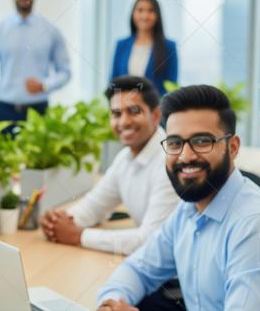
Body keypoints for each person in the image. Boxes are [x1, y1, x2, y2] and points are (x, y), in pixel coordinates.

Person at [97, 85, 260, 311]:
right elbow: (138, 270)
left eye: (202, 141)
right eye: (175, 143)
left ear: (232, 147)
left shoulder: (257, 226)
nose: (185, 156)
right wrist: (110, 305)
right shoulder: (189, 209)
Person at [40, 76, 178, 254]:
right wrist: (57, 222)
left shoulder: (170, 160)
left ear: (156, 114)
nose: (124, 122)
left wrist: (78, 235)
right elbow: (93, 207)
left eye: (134, 111)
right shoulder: (125, 159)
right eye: (116, 114)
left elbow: (151, 241)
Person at [0, 0, 71, 124]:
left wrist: (45, 85)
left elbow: (65, 71)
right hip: (5, 112)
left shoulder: (51, 31)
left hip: (39, 112)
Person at [110, 0, 178, 96]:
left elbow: (171, 85)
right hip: (125, 108)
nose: (145, 16)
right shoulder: (121, 45)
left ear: (157, 15)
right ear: (133, 14)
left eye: (150, 11)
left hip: (155, 109)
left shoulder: (169, 47)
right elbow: (113, 80)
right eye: (140, 10)